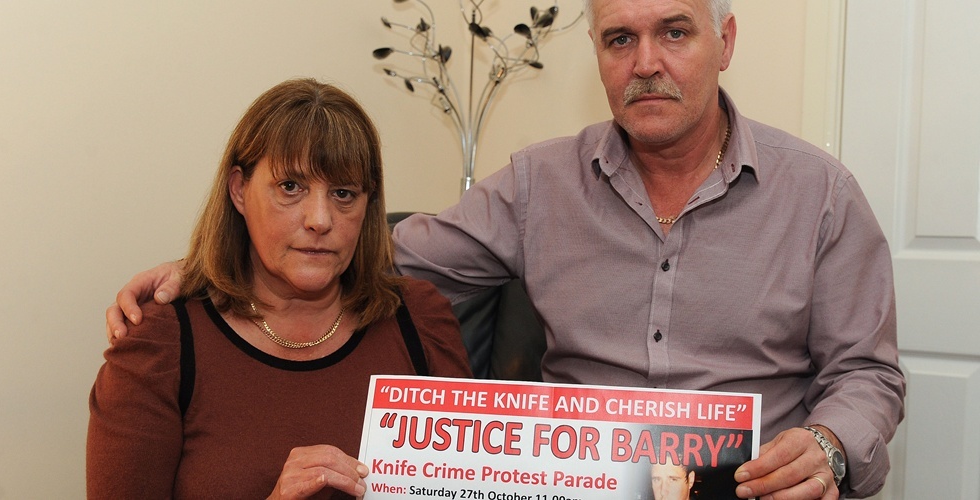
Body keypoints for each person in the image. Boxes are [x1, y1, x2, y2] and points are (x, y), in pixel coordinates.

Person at [106, 1, 905, 498]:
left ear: (725, 41)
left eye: (675, 33)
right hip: (581, 487)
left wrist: (829, 450)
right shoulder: (538, 185)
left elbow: (868, 374)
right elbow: (376, 250)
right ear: (596, 52)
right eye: (620, 38)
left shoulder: (821, 195)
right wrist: (222, 266)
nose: (646, 63)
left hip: (755, 487)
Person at [87, 78, 472, 499]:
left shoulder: (420, 320)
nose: (320, 219)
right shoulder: (159, 342)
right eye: (291, 187)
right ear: (239, 190)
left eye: (344, 193)